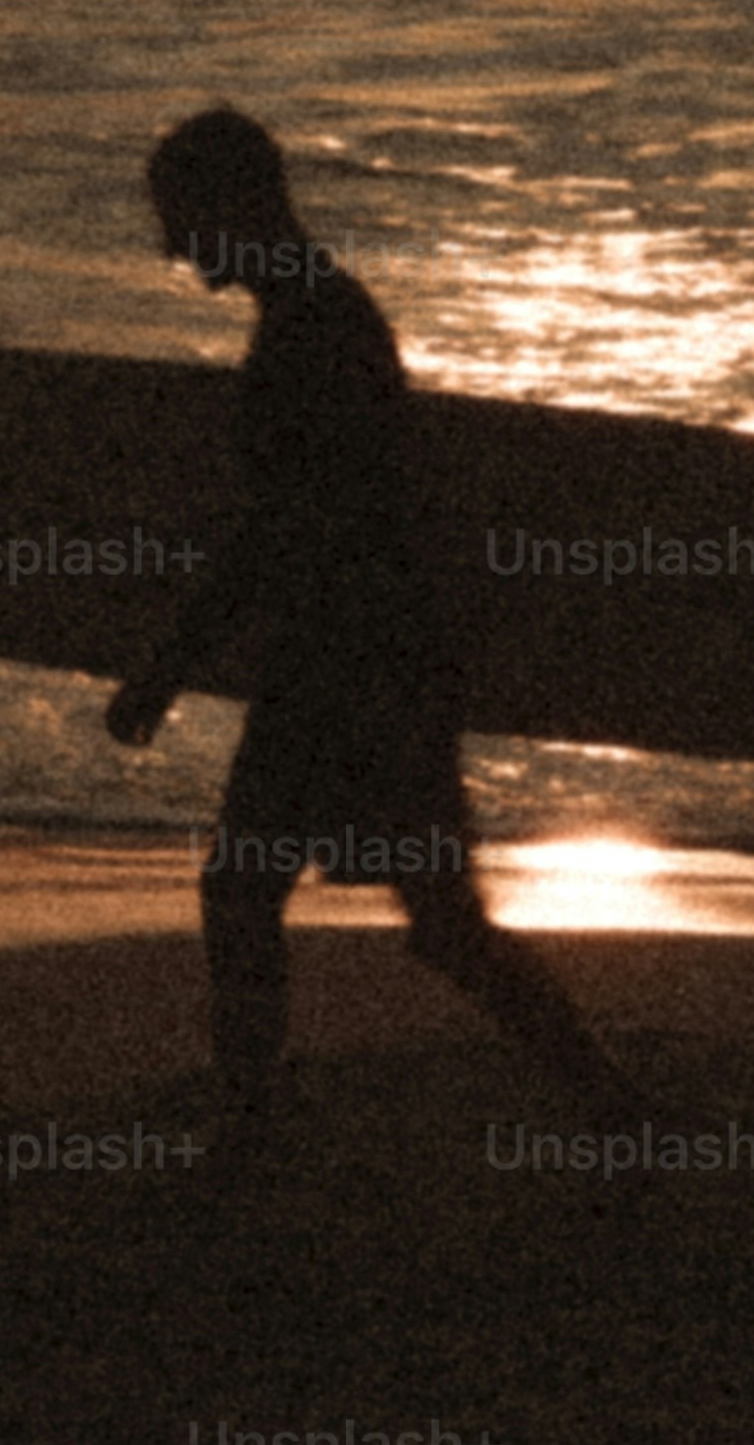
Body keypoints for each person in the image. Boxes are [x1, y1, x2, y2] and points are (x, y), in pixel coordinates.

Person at [103, 102, 635, 1123]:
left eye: (181, 215)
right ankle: (612, 1105)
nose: (170, 243)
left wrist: (167, 668)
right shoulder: (317, 314)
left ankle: (254, 1131)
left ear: (238, 205)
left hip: (351, 672)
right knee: (411, 920)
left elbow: (285, 531)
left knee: (280, 897)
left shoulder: (318, 329)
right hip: (367, 662)